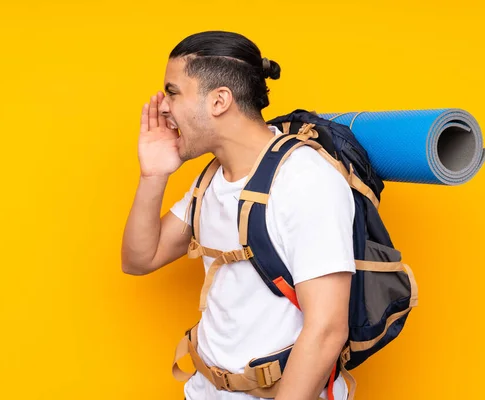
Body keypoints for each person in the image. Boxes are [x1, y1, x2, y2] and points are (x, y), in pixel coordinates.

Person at [121, 31, 356, 400]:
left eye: (173, 91)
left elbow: (326, 329)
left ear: (219, 100)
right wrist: (153, 175)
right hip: (205, 390)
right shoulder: (212, 178)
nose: (163, 107)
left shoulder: (305, 180)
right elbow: (139, 259)